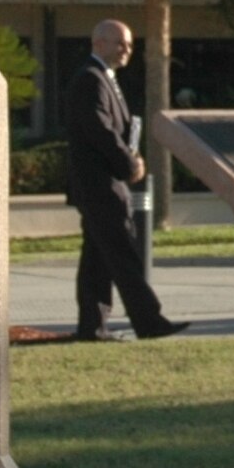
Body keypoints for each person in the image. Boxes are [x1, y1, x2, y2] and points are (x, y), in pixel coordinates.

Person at [63, 20, 188, 342]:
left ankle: (92, 326)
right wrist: (130, 164)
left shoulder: (106, 79)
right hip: (99, 185)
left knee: (97, 258)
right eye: (120, 43)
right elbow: (100, 131)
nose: (126, 50)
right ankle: (149, 322)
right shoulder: (90, 80)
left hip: (103, 184)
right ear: (98, 42)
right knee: (122, 252)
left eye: (130, 45)